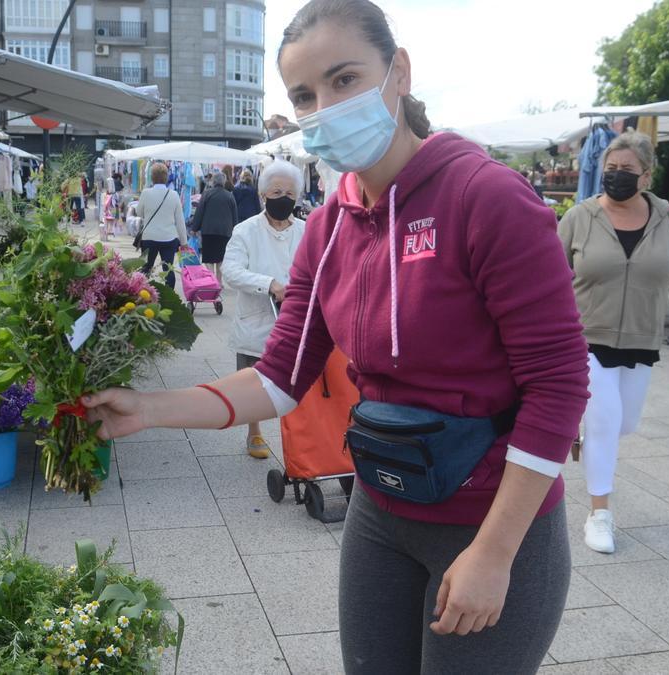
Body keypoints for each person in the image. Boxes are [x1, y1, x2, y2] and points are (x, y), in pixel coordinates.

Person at [81, 1, 589, 672]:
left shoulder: (486, 198)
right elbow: (278, 375)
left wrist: (495, 553)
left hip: (494, 519)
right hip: (380, 509)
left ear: (398, 73)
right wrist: (149, 409)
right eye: (303, 95)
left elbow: (558, 385)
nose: (324, 106)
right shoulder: (328, 229)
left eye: (344, 79)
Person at [558, 131, 669, 554]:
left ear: (646, 175)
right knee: (605, 419)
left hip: (642, 340)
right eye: (610, 169)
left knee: (624, 423)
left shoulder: (668, 218)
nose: (616, 176)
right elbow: (547, 273)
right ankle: (599, 513)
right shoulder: (580, 216)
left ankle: (581, 433)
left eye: (626, 170)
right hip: (585, 338)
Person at [222, 160, 306, 460]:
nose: (283, 196)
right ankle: (254, 431)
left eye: (289, 192)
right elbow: (230, 273)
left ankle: (300, 435)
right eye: (276, 191)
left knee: (299, 380)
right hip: (256, 319)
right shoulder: (245, 230)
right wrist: (269, 283)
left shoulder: (306, 231)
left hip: (296, 320)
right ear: (263, 195)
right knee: (253, 381)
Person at [137, 162, 186, 288]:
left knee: (146, 268)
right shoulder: (174, 195)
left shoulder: (146, 193)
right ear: (166, 177)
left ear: (152, 177)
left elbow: (139, 212)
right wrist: (184, 242)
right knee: (168, 269)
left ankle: (143, 294)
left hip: (149, 237)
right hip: (168, 238)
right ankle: (169, 296)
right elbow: (180, 221)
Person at [190, 171, 239, 282]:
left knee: (209, 258)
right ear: (224, 182)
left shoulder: (207, 194)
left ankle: (212, 280)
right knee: (221, 258)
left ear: (213, 181)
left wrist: (194, 228)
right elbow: (235, 215)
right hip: (224, 232)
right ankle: (219, 281)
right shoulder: (229, 196)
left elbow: (200, 212)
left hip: (208, 230)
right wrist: (236, 230)